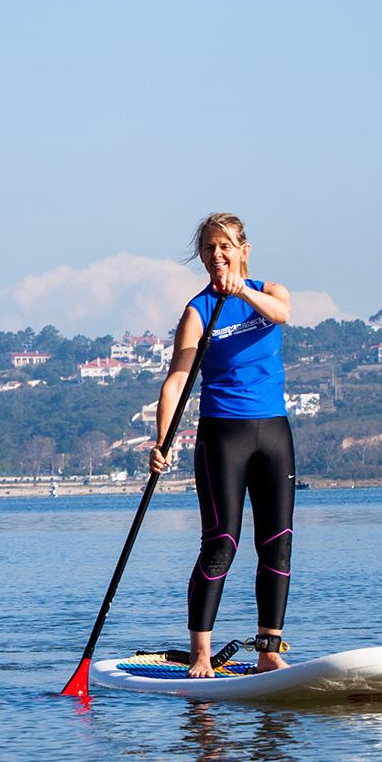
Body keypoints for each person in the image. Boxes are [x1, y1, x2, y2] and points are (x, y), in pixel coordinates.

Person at [151, 214, 295, 678]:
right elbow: (177, 380)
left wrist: (241, 292)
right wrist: (162, 439)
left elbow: (282, 315)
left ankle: (269, 649)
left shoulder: (270, 291)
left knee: (276, 542)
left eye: (226, 246)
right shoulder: (197, 312)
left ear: (243, 249)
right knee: (222, 543)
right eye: (210, 247)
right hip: (223, 435)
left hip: (273, 432)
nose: (217, 254)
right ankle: (200, 654)